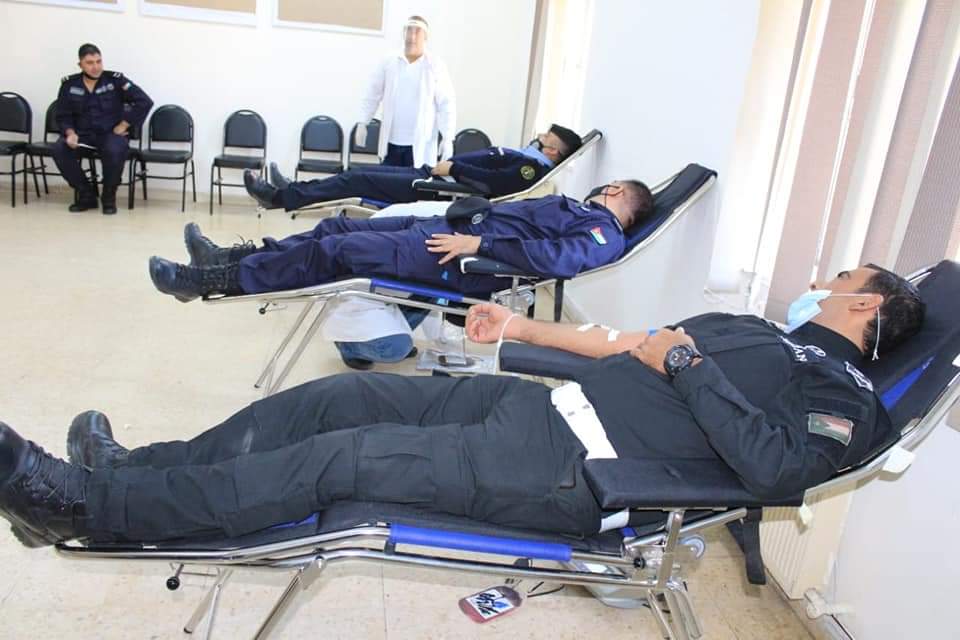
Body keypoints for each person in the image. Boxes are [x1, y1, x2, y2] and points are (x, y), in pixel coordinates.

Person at [0, 265, 924, 546]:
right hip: (543, 407)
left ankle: (86, 507)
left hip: (574, 473)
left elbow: (775, 469)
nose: (819, 280)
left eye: (838, 278)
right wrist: (516, 327)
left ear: (866, 306)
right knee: (342, 396)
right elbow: (626, 342)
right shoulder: (755, 327)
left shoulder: (843, 391)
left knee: (343, 461)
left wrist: (686, 364)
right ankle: (138, 467)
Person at [148, 180, 653, 302]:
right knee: (334, 228)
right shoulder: (581, 212)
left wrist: (479, 249)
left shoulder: (603, 232)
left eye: (608, 186)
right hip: (450, 233)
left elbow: (559, 259)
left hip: (462, 259)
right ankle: (227, 257)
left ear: (616, 193)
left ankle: (210, 281)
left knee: (338, 252)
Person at [246, 124, 583, 211]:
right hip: (430, 174)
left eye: (546, 138)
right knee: (354, 174)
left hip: (436, 188)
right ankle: (289, 189)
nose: (539, 138)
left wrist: (455, 169)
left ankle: (278, 198)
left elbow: (497, 185)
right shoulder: (529, 158)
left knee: (356, 180)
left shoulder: (530, 169)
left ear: (553, 151)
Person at [51, 43, 153, 215]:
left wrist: (125, 124)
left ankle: (108, 197)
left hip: (109, 134)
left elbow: (144, 101)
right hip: (82, 135)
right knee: (60, 148)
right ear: (80, 65)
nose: (96, 67)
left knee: (115, 149)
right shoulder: (69, 85)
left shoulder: (115, 80)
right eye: (90, 63)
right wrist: (70, 133)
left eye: (99, 61)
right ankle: (86, 194)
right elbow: (63, 115)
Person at [356, 15, 456, 167]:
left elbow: (446, 103)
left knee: (416, 182)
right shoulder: (389, 61)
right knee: (386, 181)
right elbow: (372, 94)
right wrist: (363, 121)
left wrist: (448, 137)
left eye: (417, 32)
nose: (412, 36)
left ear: (425, 37)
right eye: (409, 30)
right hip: (391, 144)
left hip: (420, 146)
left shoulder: (435, 65)